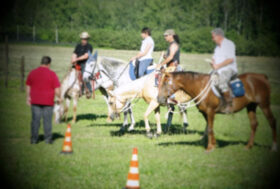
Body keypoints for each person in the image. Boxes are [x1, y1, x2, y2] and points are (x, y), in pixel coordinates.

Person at [26, 56, 61, 144]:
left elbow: (28, 85)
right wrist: (59, 97)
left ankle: (34, 139)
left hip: (35, 101)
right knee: (47, 121)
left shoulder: (32, 72)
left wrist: (28, 97)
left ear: (41, 62)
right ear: (49, 64)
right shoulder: (52, 74)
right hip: (48, 102)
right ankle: (48, 139)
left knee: (35, 121)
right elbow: (57, 88)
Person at [210, 28, 238, 113]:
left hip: (229, 69)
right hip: (218, 70)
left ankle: (229, 104)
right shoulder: (217, 47)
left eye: (213, 37)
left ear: (219, 36)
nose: (212, 39)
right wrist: (212, 62)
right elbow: (215, 58)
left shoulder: (229, 44)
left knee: (221, 81)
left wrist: (218, 65)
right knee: (207, 80)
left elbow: (230, 59)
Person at [71, 31, 93, 97]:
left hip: (85, 63)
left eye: (85, 39)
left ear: (87, 39)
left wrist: (76, 59)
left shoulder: (89, 46)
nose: (84, 40)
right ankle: (76, 90)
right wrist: (73, 60)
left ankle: (88, 90)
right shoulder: (78, 46)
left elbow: (86, 56)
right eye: (83, 39)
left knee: (84, 76)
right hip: (77, 63)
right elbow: (74, 53)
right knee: (72, 75)